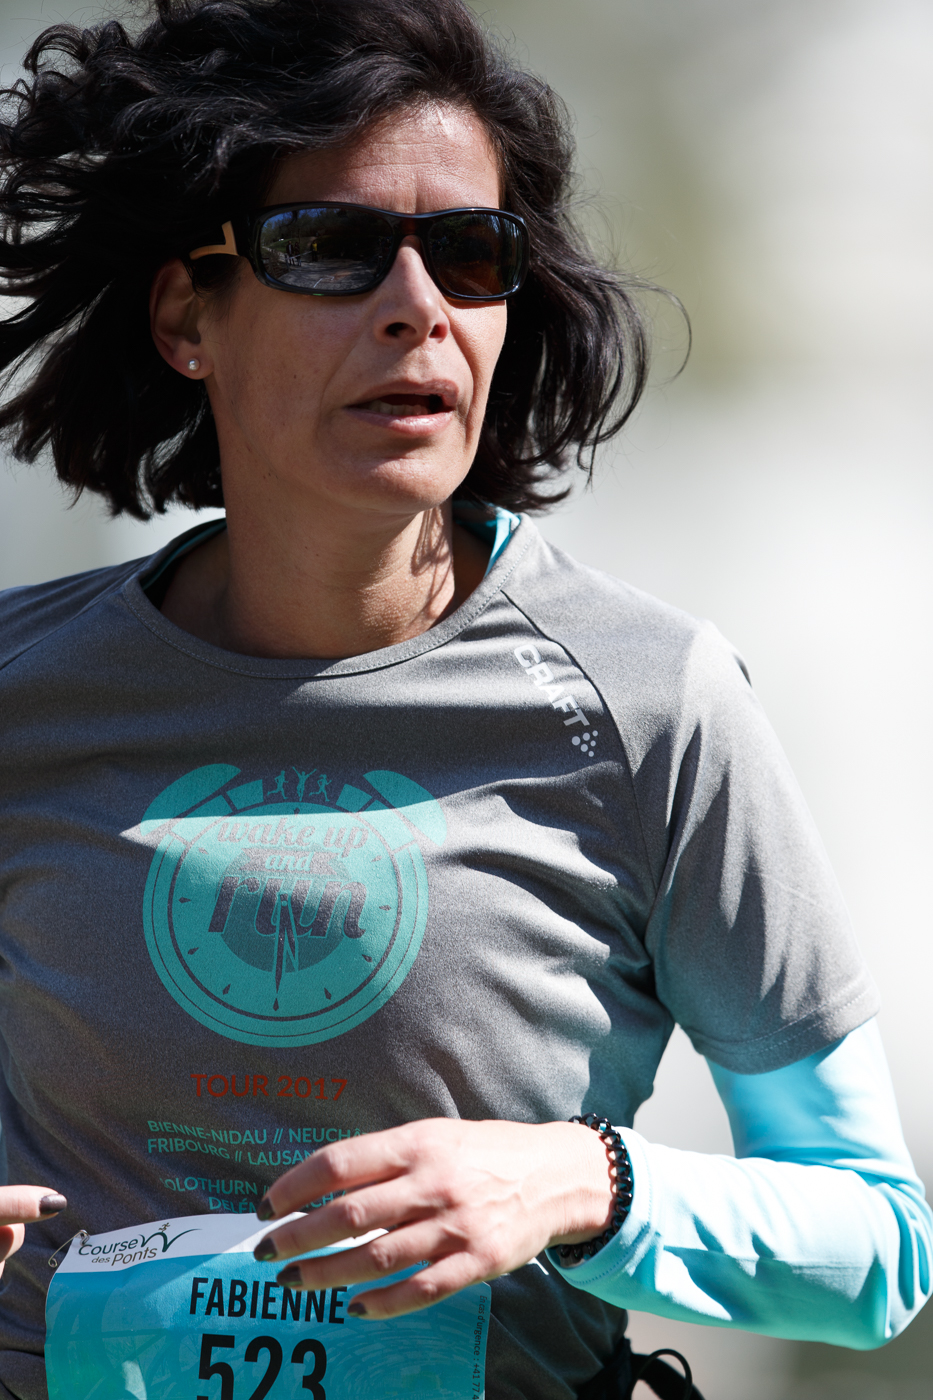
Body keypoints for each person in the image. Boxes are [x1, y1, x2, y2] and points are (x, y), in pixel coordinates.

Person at [0, 2, 929, 1398]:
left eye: (471, 253)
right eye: (330, 245)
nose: (417, 305)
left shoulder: (649, 702)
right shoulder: (21, 693)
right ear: (190, 315)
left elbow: (875, 1246)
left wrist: (578, 1183)